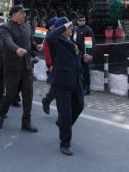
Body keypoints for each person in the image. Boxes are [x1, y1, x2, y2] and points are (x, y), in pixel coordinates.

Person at [46, 17, 90, 156]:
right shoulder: (56, 41)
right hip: (62, 83)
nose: (71, 29)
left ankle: (63, 125)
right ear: (62, 29)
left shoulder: (72, 42)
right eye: (69, 27)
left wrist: (83, 59)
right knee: (65, 114)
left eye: (71, 27)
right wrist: (64, 24)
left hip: (76, 80)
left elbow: (74, 61)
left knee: (79, 106)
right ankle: (65, 143)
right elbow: (50, 35)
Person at [0, 5, 43, 132]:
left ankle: (26, 122)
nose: (24, 15)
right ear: (13, 14)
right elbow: (7, 41)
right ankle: (0, 114)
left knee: (28, 95)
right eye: (21, 13)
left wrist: (35, 50)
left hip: (27, 67)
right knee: (11, 94)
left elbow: (30, 43)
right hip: (12, 68)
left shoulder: (27, 26)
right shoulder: (5, 27)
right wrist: (17, 49)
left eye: (24, 13)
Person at [73, 15, 95, 95]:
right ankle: (80, 87)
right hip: (77, 53)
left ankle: (87, 88)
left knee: (85, 71)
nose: (82, 21)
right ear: (77, 21)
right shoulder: (75, 29)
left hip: (85, 53)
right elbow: (73, 40)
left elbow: (91, 43)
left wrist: (89, 54)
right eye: (81, 20)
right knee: (78, 70)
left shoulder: (88, 30)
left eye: (84, 20)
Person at [41, 17, 57, 115]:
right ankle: (46, 100)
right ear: (51, 27)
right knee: (56, 88)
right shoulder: (49, 38)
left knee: (59, 88)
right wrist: (49, 65)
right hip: (54, 66)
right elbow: (46, 53)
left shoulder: (62, 34)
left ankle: (46, 100)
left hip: (62, 65)